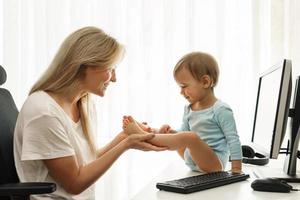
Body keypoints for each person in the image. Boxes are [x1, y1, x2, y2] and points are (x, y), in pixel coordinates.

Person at [13, 26, 167, 200]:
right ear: (85, 65)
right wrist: (126, 144)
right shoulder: (44, 112)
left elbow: (85, 163)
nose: (114, 79)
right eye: (111, 68)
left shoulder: (83, 103)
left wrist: (123, 137)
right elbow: (75, 183)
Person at [122, 52, 243, 173]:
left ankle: (145, 137)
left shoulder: (221, 109)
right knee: (179, 134)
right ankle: (149, 133)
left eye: (184, 86)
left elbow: (233, 139)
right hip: (193, 162)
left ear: (205, 82)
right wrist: (172, 132)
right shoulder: (189, 108)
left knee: (190, 137)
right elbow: (183, 133)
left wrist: (236, 169)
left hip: (214, 164)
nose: (181, 92)